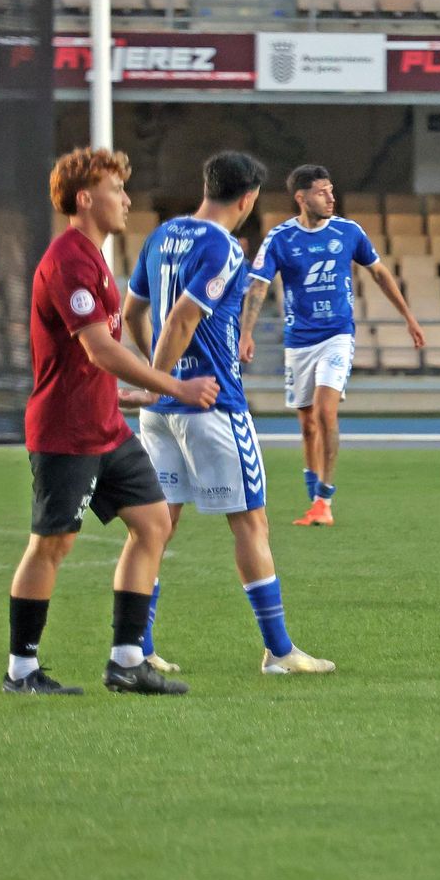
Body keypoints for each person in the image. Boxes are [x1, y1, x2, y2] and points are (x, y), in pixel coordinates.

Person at [6, 147, 213, 696]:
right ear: (84, 199)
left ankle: (126, 661)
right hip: (67, 432)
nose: (125, 198)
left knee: (154, 523)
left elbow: (87, 362)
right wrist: (173, 386)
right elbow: (98, 349)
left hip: (105, 426)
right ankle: (21, 669)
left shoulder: (93, 257)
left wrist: (121, 396)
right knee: (52, 545)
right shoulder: (68, 261)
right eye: (115, 189)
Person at [123, 151, 334, 676]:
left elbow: (133, 312)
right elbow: (182, 319)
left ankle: (137, 646)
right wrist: (164, 382)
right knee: (250, 523)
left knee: (156, 528)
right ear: (248, 199)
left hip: (161, 415)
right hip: (210, 404)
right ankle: (279, 652)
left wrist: (155, 381)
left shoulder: (162, 235)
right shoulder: (223, 248)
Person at [246, 164, 425, 527]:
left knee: (326, 413)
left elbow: (379, 273)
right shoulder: (281, 238)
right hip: (299, 341)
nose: (331, 197)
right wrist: (245, 332)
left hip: (337, 336)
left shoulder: (348, 232)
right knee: (307, 425)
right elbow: (259, 285)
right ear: (301, 198)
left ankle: (325, 498)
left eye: (331, 190)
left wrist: (408, 316)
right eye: (322, 192)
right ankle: (314, 496)